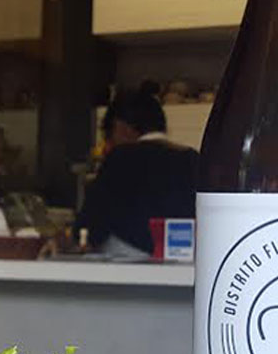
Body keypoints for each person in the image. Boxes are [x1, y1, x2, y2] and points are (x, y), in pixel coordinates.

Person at [77, 82, 197, 256]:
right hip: (187, 270)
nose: (107, 146)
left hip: (128, 274)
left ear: (122, 128)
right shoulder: (192, 159)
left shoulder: (120, 159)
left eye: (109, 138)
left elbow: (90, 228)